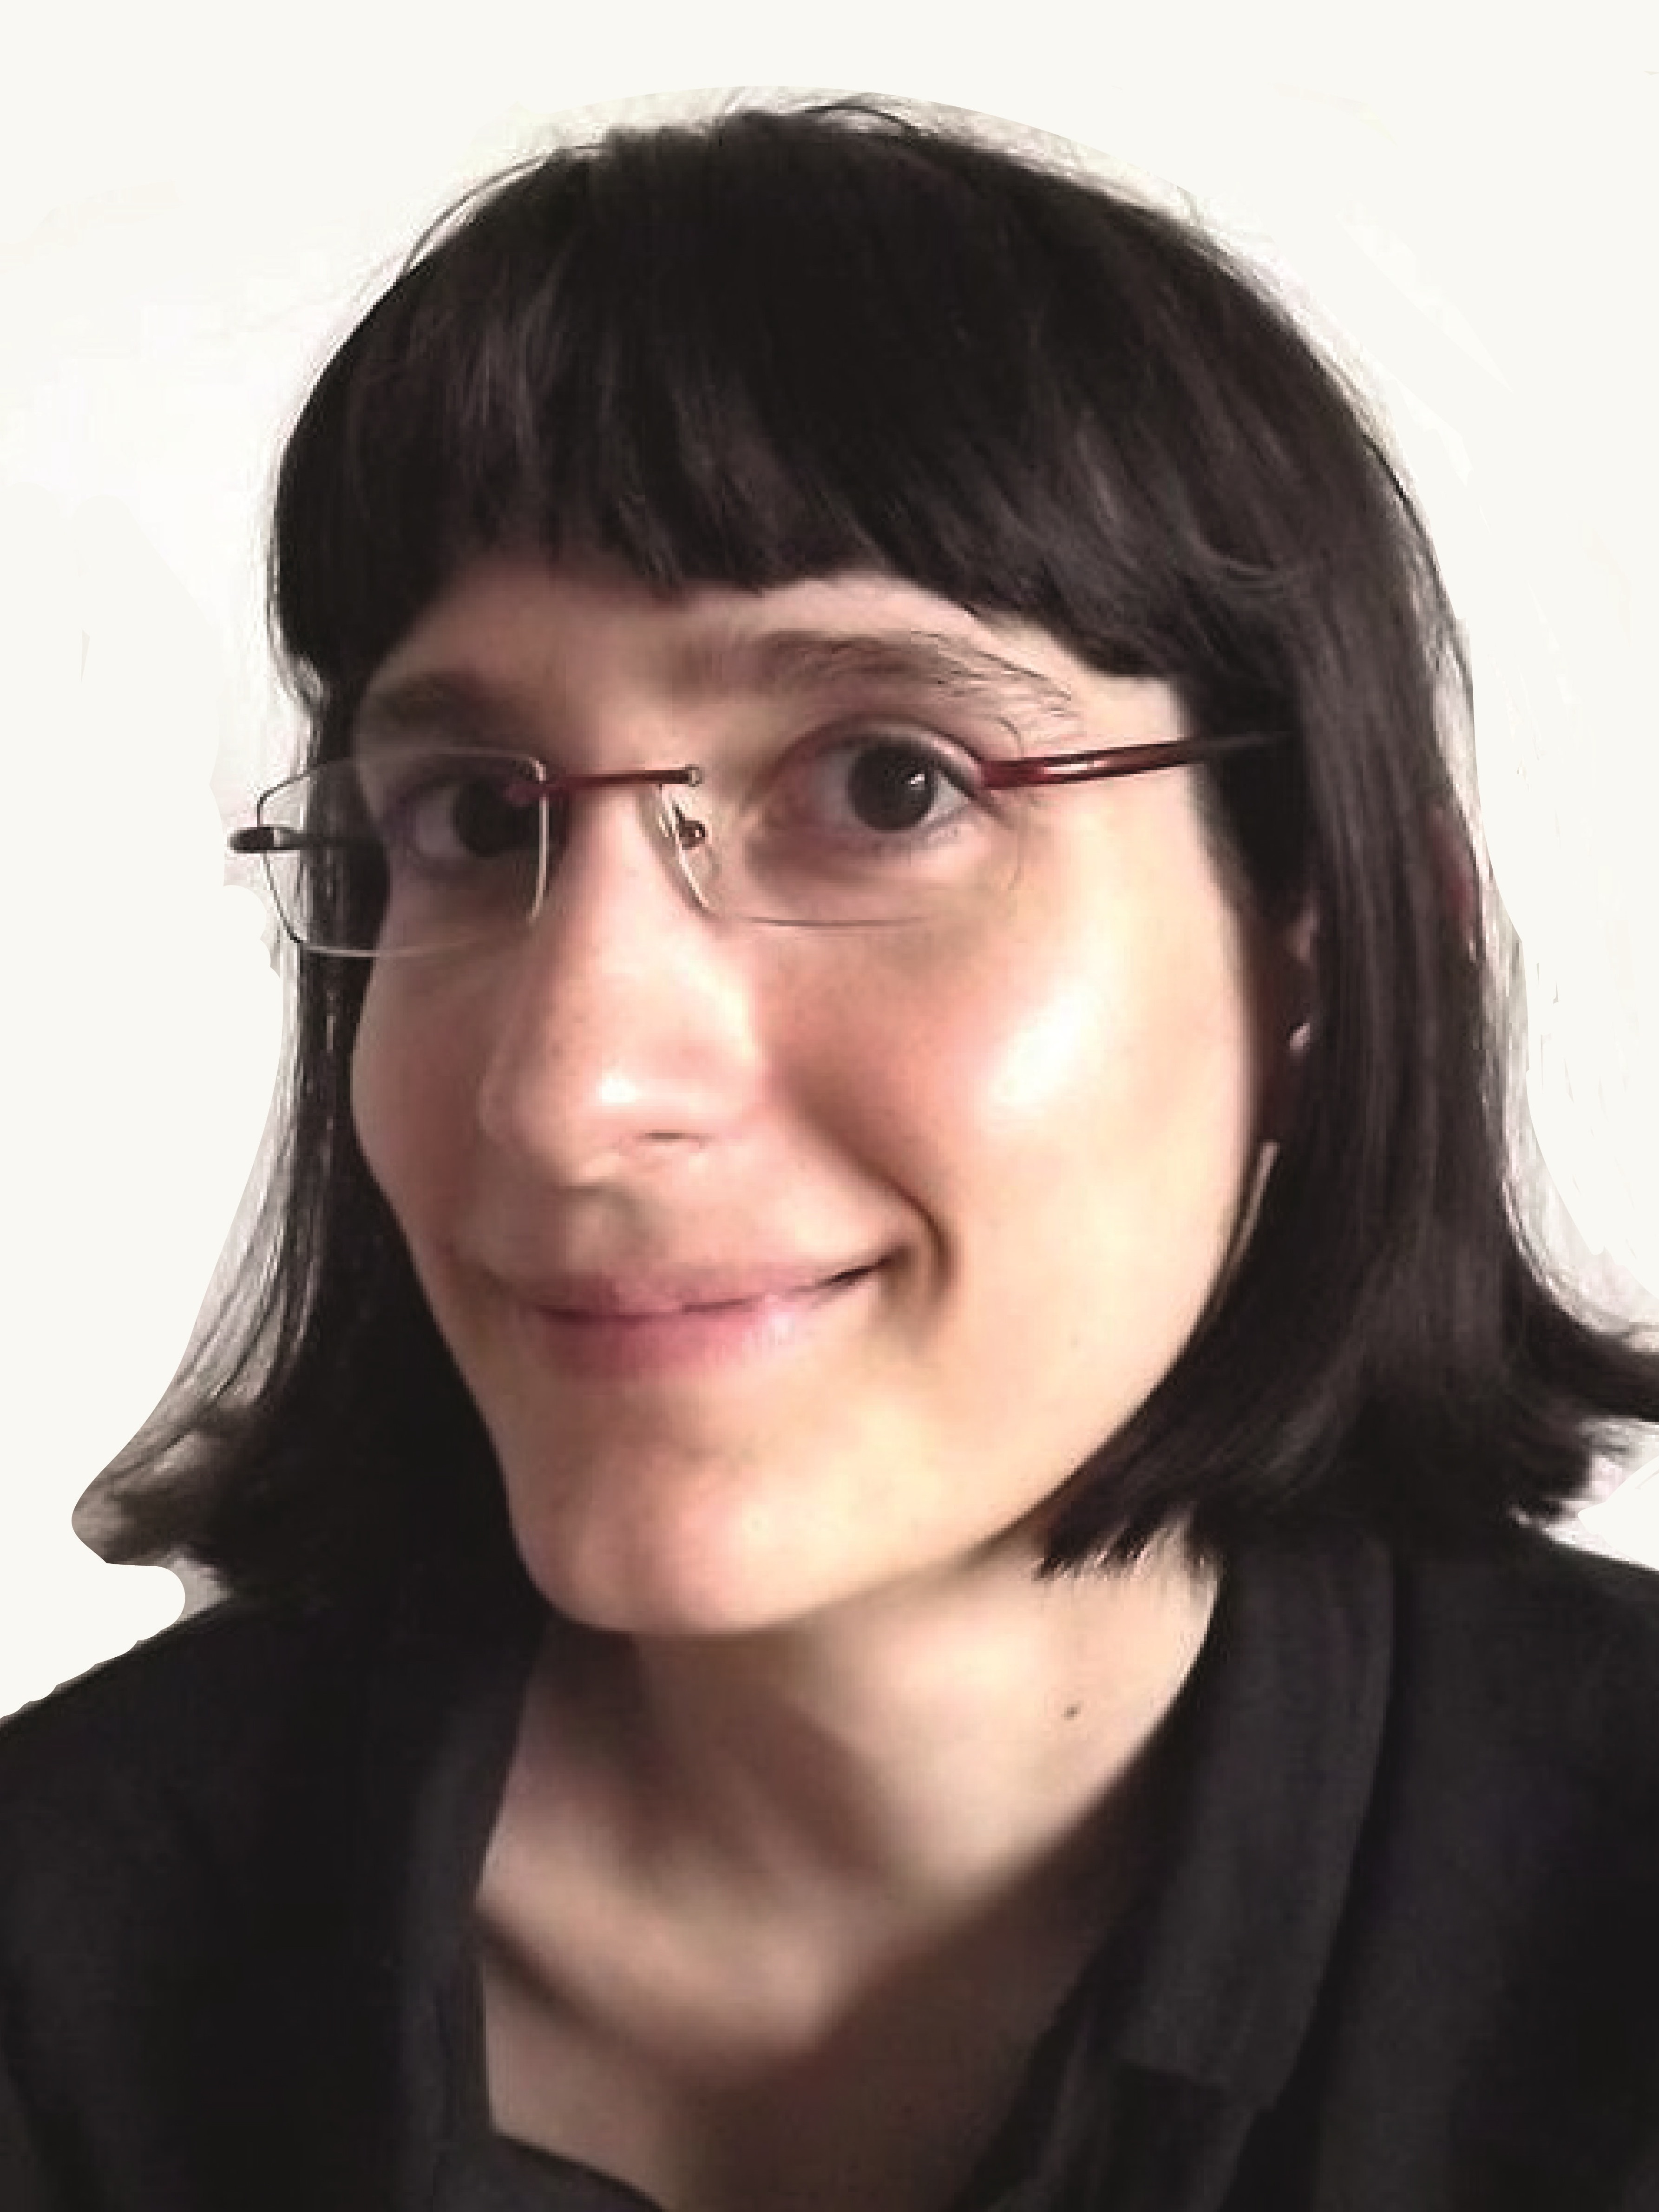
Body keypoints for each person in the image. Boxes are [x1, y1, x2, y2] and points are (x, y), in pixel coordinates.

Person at [2, 93, 1658, 2212]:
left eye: (888, 786)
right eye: (477, 820)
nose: (570, 1087)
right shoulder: (61, 1978)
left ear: (1324, 949)